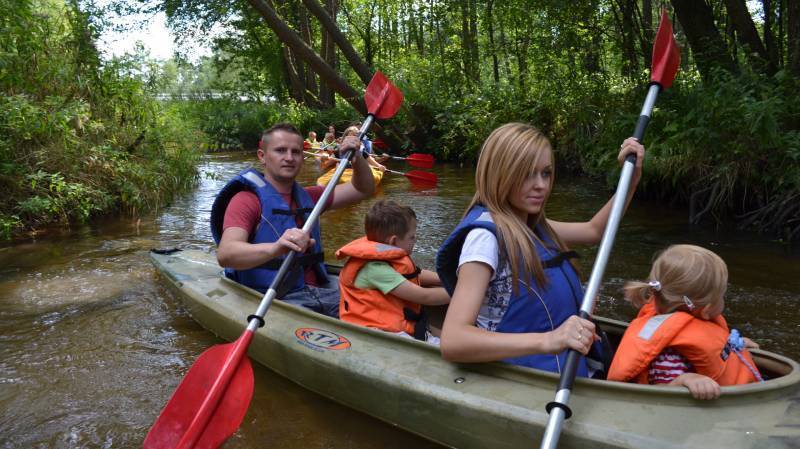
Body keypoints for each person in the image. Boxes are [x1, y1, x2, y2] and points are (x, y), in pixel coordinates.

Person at [436, 122, 644, 377]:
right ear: (499, 174)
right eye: (527, 174)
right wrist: (548, 339)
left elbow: (594, 231)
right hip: (523, 380)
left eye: (545, 173)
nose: (541, 185)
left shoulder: (532, 225)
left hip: (564, 371)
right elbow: (454, 340)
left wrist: (630, 181)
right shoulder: (484, 240)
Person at [210, 123, 376, 317]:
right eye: (280, 150)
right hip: (274, 296)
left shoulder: (312, 197)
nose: (289, 158)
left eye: (296, 152)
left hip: (317, 290)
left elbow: (363, 189)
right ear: (262, 156)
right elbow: (226, 254)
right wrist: (276, 248)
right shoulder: (246, 201)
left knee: (381, 307)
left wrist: (357, 158)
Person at [607, 244, 762, 399]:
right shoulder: (671, 354)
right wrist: (684, 380)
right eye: (721, 295)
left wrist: (732, 346)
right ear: (707, 309)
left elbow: (714, 346)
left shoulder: (684, 328)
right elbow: (657, 393)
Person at [336, 200, 450, 343]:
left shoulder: (386, 257)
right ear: (393, 241)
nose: (415, 240)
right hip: (377, 332)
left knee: (443, 335)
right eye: (412, 237)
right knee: (445, 346)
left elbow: (416, 274)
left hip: (395, 324)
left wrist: (447, 279)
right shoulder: (375, 270)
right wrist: (460, 293)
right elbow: (423, 296)